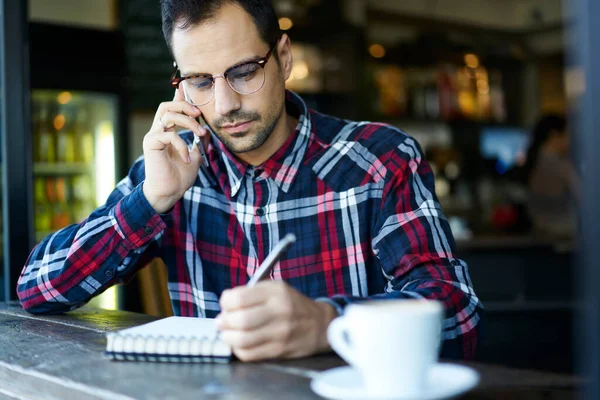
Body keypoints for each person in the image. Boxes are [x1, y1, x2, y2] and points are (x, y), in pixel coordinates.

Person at [17, 0, 483, 361]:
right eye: (200, 81)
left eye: (243, 73)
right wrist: (150, 201)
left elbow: (455, 312)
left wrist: (328, 323)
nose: (224, 105)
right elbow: (36, 289)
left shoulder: (379, 160)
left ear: (283, 58)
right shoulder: (174, 170)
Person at [524, 114, 580, 238]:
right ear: (554, 136)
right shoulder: (559, 165)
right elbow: (584, 199)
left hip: (538, 235)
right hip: (562, 234)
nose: (569, 141)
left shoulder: (533, 161)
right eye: (566, 135)